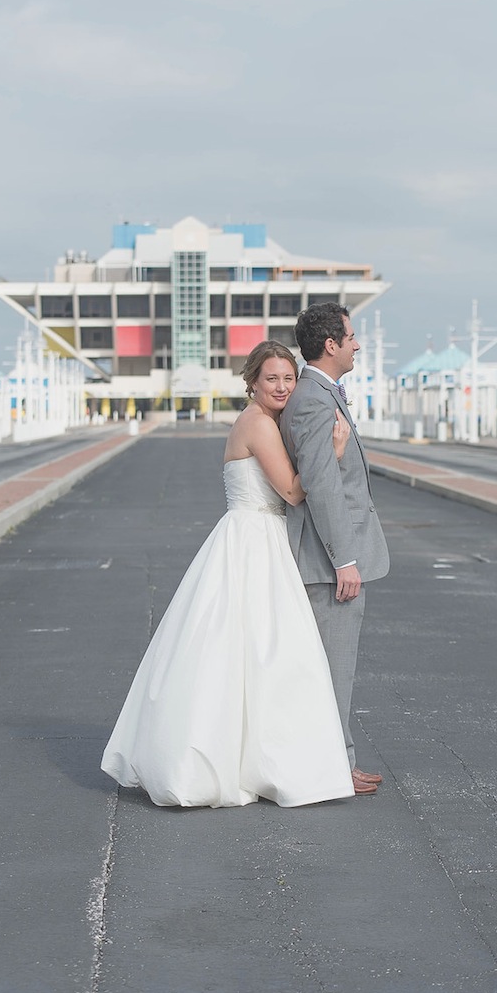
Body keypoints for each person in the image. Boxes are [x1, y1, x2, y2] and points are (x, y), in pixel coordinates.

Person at [101, 340, 356, 809]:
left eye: (287, 378)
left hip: (262, 537)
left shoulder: (270, 422)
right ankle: (239, 762)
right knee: (257, 650)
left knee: (258, 655)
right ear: (252, 384)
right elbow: (294, 493)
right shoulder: (258, 424)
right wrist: (334, 451)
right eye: (271, 379)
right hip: (253, 539)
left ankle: (260, 760)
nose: (281, 387)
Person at [280, 303, 390, 795]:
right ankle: (332, 767)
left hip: (331, 560)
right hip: (328, 565)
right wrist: (345, 560)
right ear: (331, 344)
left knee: (332, 670)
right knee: (331, 671)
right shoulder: (314, 401)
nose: (357, 344)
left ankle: (338, 759)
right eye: (351, 336)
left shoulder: (319, 395)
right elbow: (322, 487)